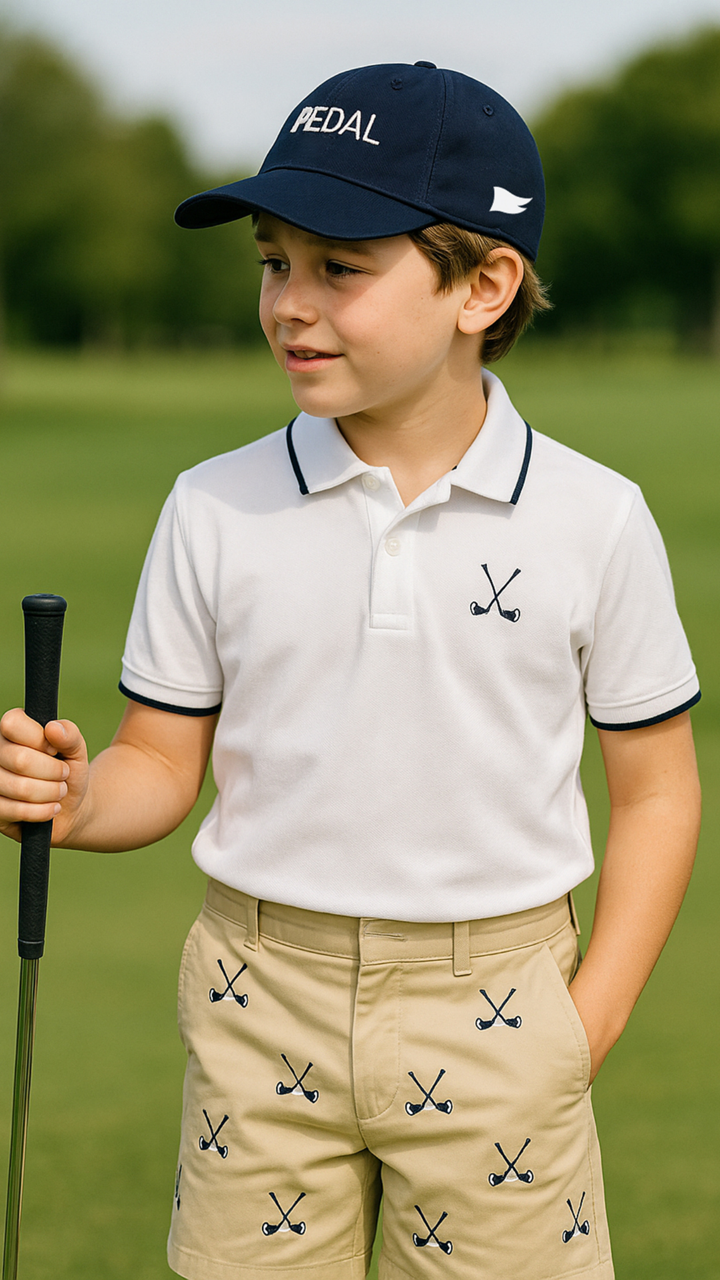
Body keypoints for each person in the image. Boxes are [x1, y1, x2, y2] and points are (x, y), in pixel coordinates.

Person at [0, 62, 701, 1280]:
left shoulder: (596, 517)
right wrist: (75, 799)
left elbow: (655, 790)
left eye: (341, 267)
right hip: (257, 994)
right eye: (275, 262)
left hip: (499, 998)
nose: (290, 304)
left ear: (483, 285)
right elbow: (160, 763)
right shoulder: (214, 504)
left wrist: (585, 1025)